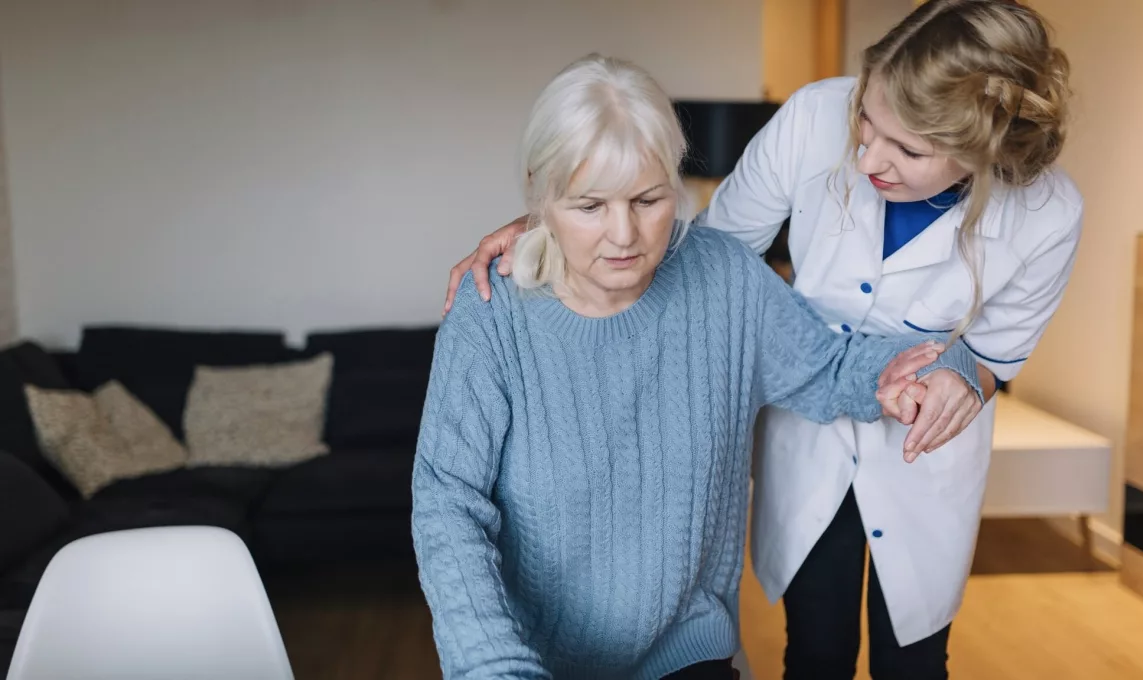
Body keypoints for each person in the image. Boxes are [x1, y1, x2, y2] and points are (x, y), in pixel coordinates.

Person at [441, 2, 1081, 678]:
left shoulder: (1049, 214)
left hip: (921, 446)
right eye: (867, 117)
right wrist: (557, 225)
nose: (868, 159)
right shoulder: (811, 119)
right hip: (808, 428)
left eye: (909, 150)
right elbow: (710, 253)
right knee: (815, 649)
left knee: (916, 662)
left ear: (984, 147)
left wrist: (956, 372)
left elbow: (992, 355)